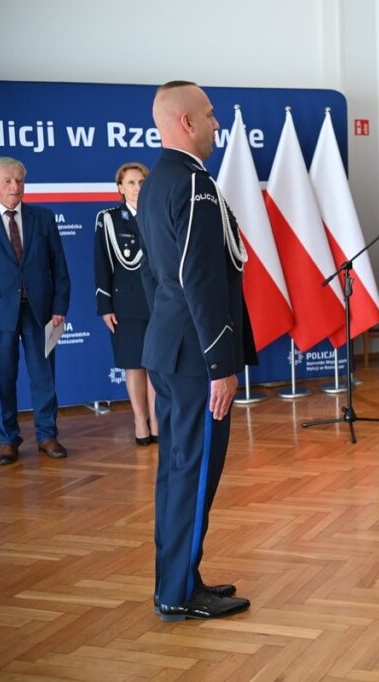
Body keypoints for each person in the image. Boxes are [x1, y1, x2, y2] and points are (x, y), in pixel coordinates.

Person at [140, 81, 255, 621]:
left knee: (177, 472)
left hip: (169, 349)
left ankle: (180, 578)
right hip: (196, 361)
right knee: (193, 472)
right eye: (208, 115)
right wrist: (220, 365)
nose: (216, 123)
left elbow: (157, 281)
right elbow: (198, 279)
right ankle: (179, 593)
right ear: (185, 121)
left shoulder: (160, 179)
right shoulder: (192, 185)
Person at [0, 156, 71, 465]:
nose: (15, 186)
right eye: (7, 181)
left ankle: (47, 435)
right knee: (3, 379)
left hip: (41, 312)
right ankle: (8, 440)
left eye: (19, 180)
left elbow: (59, 265)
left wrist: (60, 306)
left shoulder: (42, 218)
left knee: (44, 376)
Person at [94, 162, 158, 446]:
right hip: (127, 303)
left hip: (159, 302)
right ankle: (139, 420)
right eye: (130, 183)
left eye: (142, 182)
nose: (136, 188)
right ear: (120, 188)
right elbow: (101, 264)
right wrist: (105, 305)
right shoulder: (109, 218)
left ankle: (157, 420)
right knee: (134, 365)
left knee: (157, 364)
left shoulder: (158, 214)